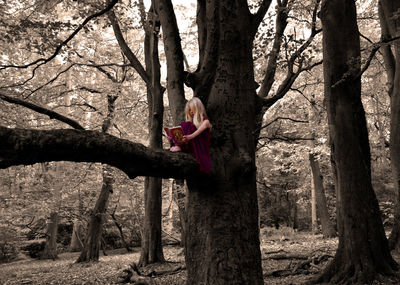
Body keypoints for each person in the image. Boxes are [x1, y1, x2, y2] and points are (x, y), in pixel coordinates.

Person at [169, 97, 212, 173]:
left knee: (187, 125)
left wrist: (189, 137)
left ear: (197, 108)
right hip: (191, 144)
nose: (190, 112)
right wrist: (172, 138)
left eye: (191, 109)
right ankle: (178, 144)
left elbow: (196, 133)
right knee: (183, 125)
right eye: (188, 110)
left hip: (201, 148)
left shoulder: (206, 122)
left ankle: (180, 147)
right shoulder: (191, 123)